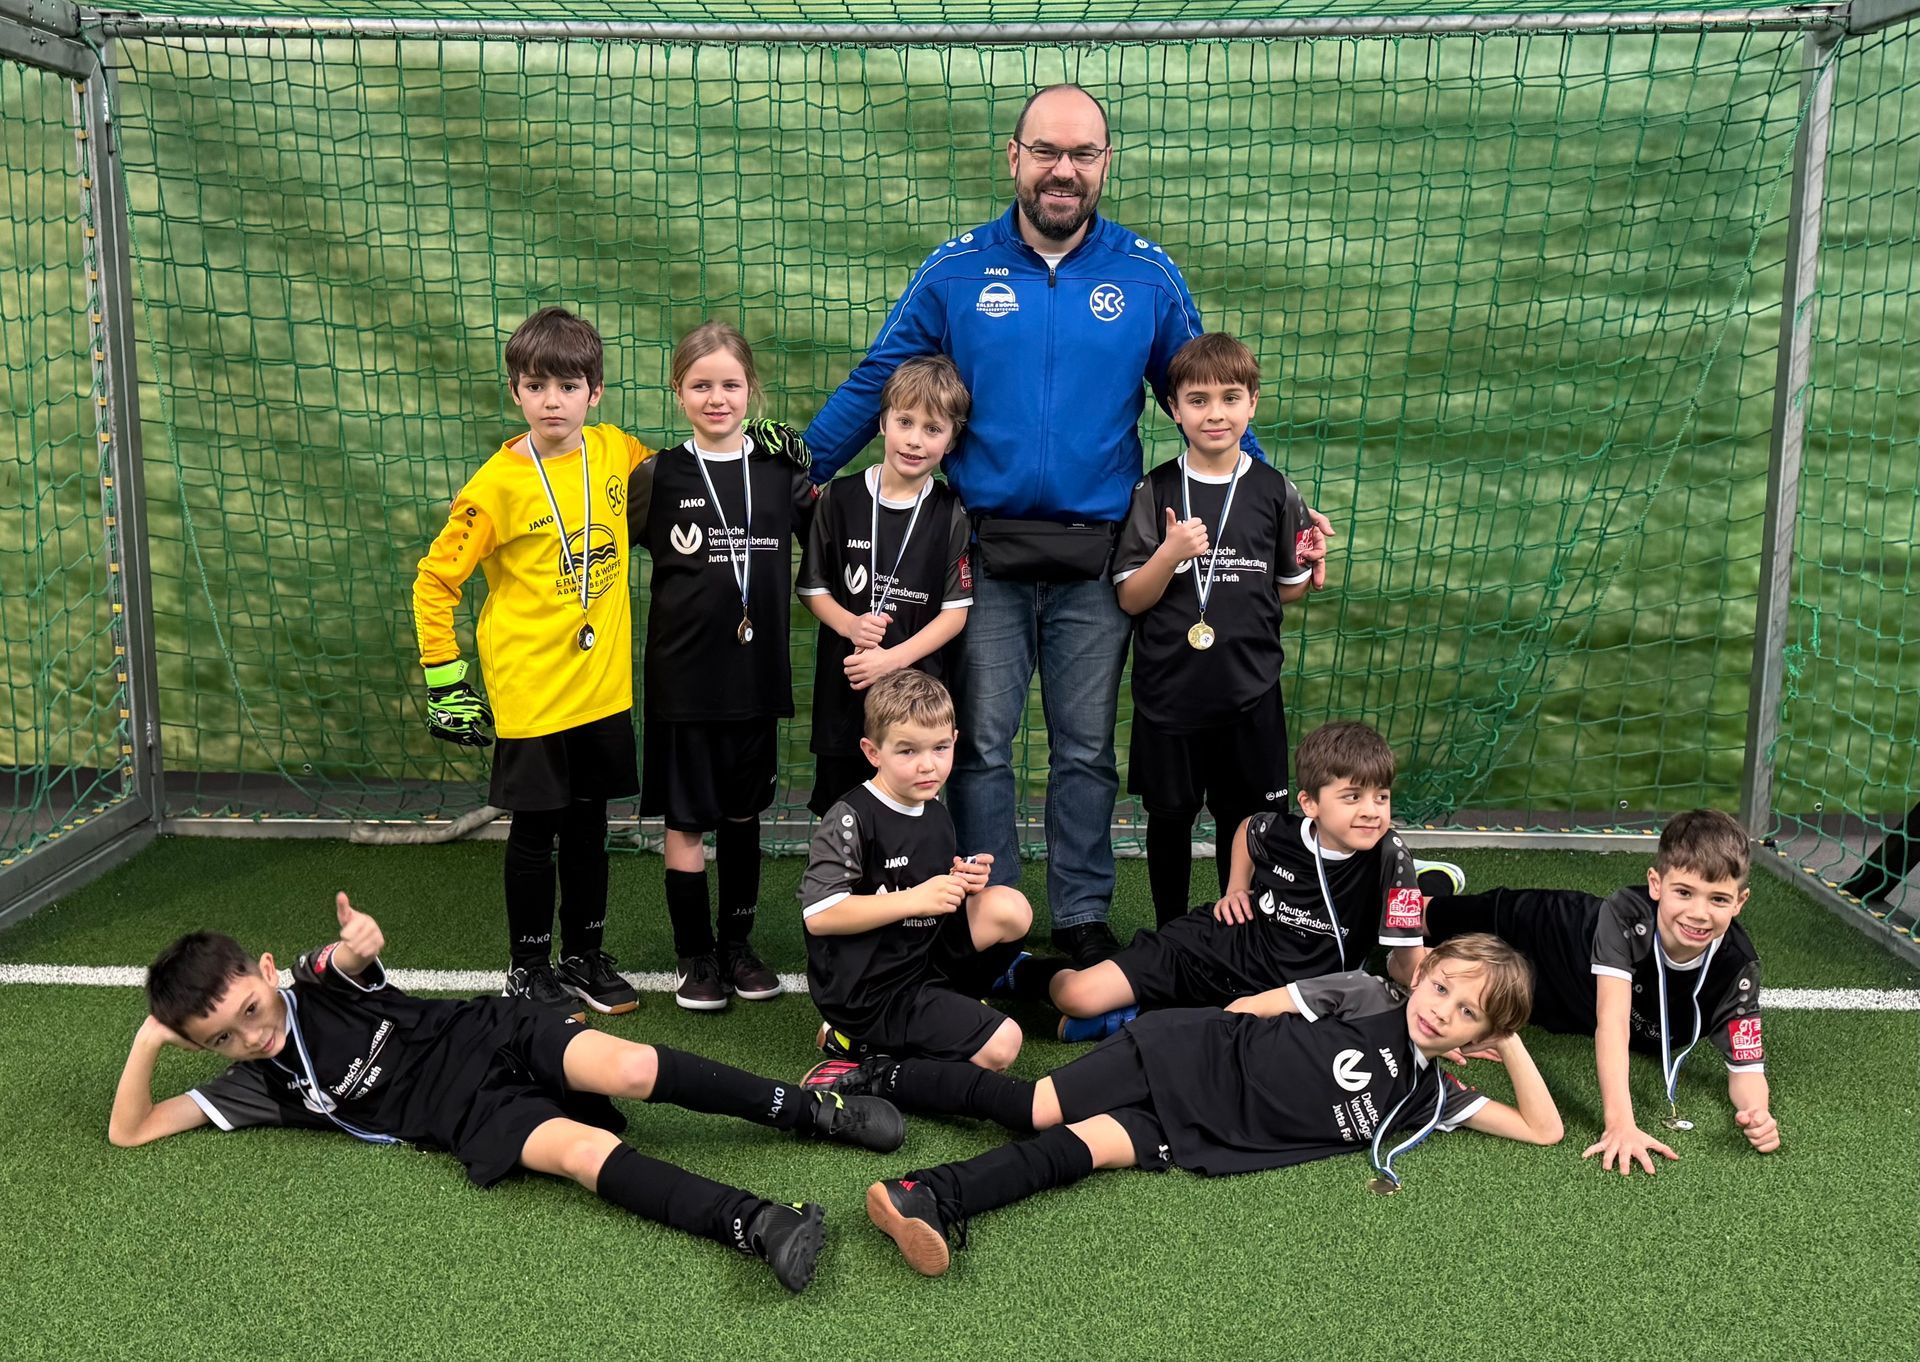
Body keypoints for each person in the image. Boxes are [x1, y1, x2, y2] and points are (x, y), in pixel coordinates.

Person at [804, 84, 1332, 967]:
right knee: (981, 748)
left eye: (1083, 154)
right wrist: (804, 471)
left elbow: (1206, 395)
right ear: (1014, 157)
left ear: (1104, 165)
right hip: (983, 555)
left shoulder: (1146, 274)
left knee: (1085, 750)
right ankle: (991, 911)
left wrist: (1275, 500)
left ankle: (1083, 913)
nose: (1063, 170)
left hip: (1100, 560)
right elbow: (878, 376)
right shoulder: (956, 269)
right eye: (1046, 151)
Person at [107, 893, 906, 1294]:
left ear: (265, 971)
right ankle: (760, 1225)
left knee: (631, 1069)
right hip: (468, 1116)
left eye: (250, 1010)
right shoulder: (256, 1087)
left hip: (490, 1032)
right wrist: (149, 1040)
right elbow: (131, 1130)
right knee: (583, 1154)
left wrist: (359, 943)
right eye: (222, 1038)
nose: (249, 1037)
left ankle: (813, 1111)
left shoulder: (317, 981)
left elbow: (349, 959)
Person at [829, 933, 1561, 1276]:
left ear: (1480, 1037)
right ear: (1423, 973)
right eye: (1442, 987)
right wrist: (1205, 1050)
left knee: (1074, 1155)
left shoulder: (1428, 1098)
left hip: (1204, 1130)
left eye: (1467, 1014)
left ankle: (926, 1196)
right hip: (1185, 1055)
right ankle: (876, 1074)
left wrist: (1510, 1042)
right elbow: (1248, 1010)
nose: (1441, 1011)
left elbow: (1542, 1129)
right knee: (1034, 1109)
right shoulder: (1367, 994)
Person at [411, 306, 652, 1020]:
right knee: (537, 829)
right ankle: (528, 968)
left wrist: (747, 448)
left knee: (589, 826)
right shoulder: (494, 488)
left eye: (569, 386)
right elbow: (435, 582)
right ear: (515, 391)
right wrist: (445, 679)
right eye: (537, 385)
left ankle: (583, 956)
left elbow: (684, 477)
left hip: (601, 688)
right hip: (533, 692)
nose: (553, 401)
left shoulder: (616, 450)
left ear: (595, 392)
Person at [1424, 808, 1778, 1174]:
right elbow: (1612, 1022)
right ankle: (1425, 882)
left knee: (1479, 981)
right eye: (1684, 892)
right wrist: (1620, 1124)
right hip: (1557, 938)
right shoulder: (1626, 915)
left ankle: (1434, 886)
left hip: (1561, 1009)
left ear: (1740, 901)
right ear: (1656, 884)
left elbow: (1747, 1069)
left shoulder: (1738, 969)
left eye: (1718, 899)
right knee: (1418, 920)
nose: (1699, 913)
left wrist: (1757, 1112)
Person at [629, 321, 815, 1012]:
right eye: (701, 385)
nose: (717, 398)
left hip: (754, 679)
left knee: (744, 816)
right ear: (677, 391)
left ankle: (737, 947)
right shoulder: (656, 476)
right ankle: (695, 957)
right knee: (686, 823)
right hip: (682, 684)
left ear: (750, 390)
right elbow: (604, 545)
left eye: (730, 385)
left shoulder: (780, 474)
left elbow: (828, 537)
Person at [1112, 332, 1328, 926]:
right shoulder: (1154, 490)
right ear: (1173, 409)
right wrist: (1170, 554)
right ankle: (1170, 932)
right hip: (1170, 692)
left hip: (1249, 691)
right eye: (1198, 400)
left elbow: (1283, 588)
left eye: (1231, 398)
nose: (1215, 414)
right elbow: (1130, 597)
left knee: (1250, 821)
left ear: (1252, 403)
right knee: (1170, 817)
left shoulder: (1276, 490)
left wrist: (1306, 567)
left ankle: (1246, 933)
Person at [1047, 720, 1446, 1039]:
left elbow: (1407, 961)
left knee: (1240, 1037)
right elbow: (1249, 829)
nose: (1372, 811)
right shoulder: (1282, 832)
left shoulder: (1392, 857)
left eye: (1381, 797)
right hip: (1217, 948)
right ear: (1310, 803)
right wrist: (1237, 887)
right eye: (1352, 796)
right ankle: (1026, 973)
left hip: (1280, 996)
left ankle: (1136, 1015)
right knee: (1076, 996)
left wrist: (1440, 1010)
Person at [797, 670, 1041, 1073]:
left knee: (1010, 908)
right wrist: (914, 899)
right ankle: (861, 1045)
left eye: (940, 748)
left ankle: (947, 1007)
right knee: (1002, 1045)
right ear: (873, 752)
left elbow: (923, 882)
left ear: (955, 741)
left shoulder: (934, 809)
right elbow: (820, 915)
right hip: (869, 989)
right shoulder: (850, 817)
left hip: (920, 960)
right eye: (907, 751)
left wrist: (962, 880)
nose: (928, 765)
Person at [797, 356, 973, 816]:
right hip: (847, 691)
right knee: (842, 816)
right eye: (905, 422)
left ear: (952, 439)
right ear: (882, 423)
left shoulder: (952, 512)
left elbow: (955, 613)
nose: (915, 440)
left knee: (910, 817)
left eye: (933, 429)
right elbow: (812, 588)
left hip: (918, 701)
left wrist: (892, 660)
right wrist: (851, 625)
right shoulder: (839, 498)